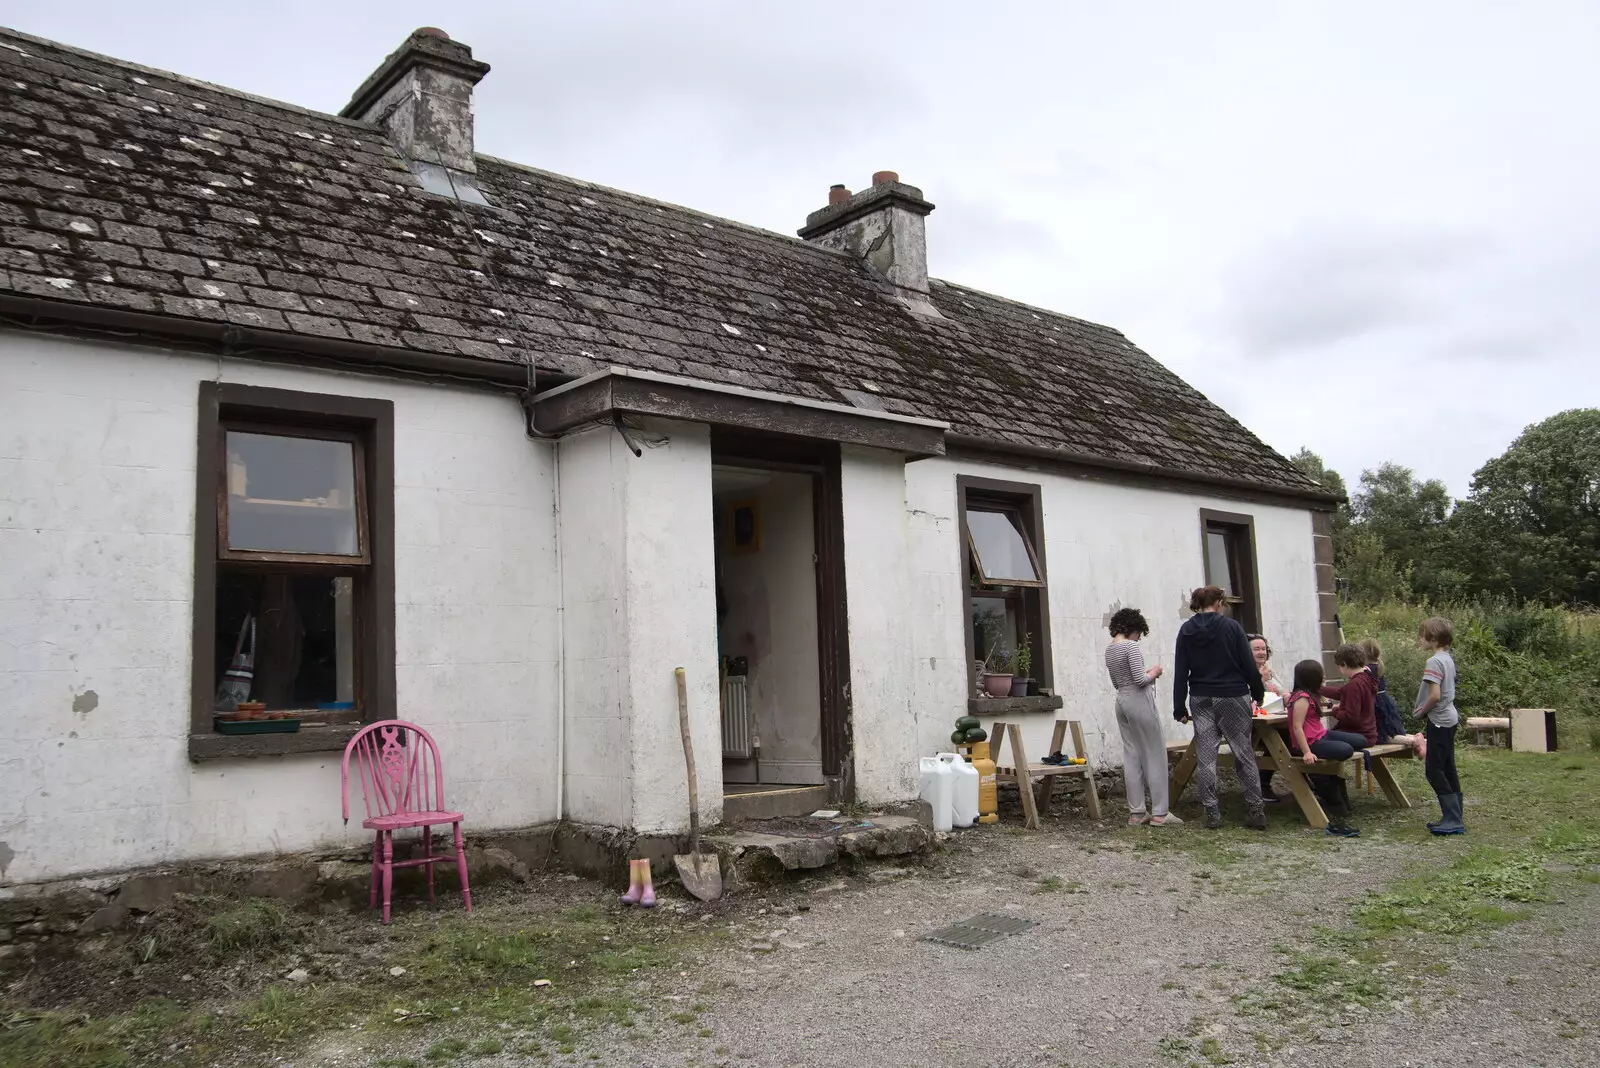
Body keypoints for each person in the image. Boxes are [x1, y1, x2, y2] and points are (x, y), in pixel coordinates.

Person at [1173, 585, 1266, 830]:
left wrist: (1178, 706)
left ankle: (1212, 812)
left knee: (1205, 757)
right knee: (1243, 752)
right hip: (1232, 694)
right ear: (1220, 603)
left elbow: (1181, 670)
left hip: (1201, 696)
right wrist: (1258, 692)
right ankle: (1255, 809)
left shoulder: (1186, 630)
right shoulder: (1231, 627)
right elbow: (1247, 663)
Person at [1105, 607, 1181, 827]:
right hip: (1139, 700)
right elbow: (1140, 680)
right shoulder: (1131, 646)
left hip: (1121, 700)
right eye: (1139, 632)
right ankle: (1160, 813)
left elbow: (1117, 682)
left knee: (1132, 755)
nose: (1140, 637)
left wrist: (1144, 676)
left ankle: (1137, 813)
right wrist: (1154, 672)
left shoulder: (1110, 649)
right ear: (1133, 628)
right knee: (1155, 753)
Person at [1283, 659, 1360, 838]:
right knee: (1345, 750)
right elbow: (1297, 727)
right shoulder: (1301, 698)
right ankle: (1337, 813)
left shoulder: (1311, 695)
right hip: (1310, 742)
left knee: (1361, 741)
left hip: (1320, 734)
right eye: (1321, 674)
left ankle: (1341, 808)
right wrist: (1307, 752)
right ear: (1312, 677)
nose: (1324, 677)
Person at [1416, 617, 1464, 836]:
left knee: (1434, 770)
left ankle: (1453, 819)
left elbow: (1434, 695)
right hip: (1450, 718)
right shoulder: (1447, 659)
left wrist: (1422, 710)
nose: (1420, 639)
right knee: (1448, 768)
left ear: (1432, 638)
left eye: (1422, 634)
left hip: (1440, 721)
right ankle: (1454, 815)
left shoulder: (1433, 662)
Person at [1359, 637, 1424, 756]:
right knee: (1392, 731)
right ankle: (1418, 739)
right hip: (1384, 700)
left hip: (1375, 704)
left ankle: (1413, 741)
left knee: (1383, 736)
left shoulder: (1366, 670)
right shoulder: (1378, 666)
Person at [1249, 633, 1288, 802]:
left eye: (1263, 648)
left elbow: (1283, 690)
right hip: (1251, 724)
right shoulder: (1243, 671)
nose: (1261, 652)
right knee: (1283, 738)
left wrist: (1287, 695)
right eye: (1256, 649)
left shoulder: (1269, 669)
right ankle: (1262, 785)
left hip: (1274, 719)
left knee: (1291, 735)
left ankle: (1308, 778)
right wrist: (1261, 680)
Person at [1321, 644, 1378, 749]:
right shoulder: (1366, 678)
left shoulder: (1354, 685)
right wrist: (1318, 688)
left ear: (1344, 664)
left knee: (1318, 736)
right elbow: (1340, 692)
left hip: (1360, 735)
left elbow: (1351, 717)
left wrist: (1336, 711)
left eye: (1339, 665)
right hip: (1368, 734)